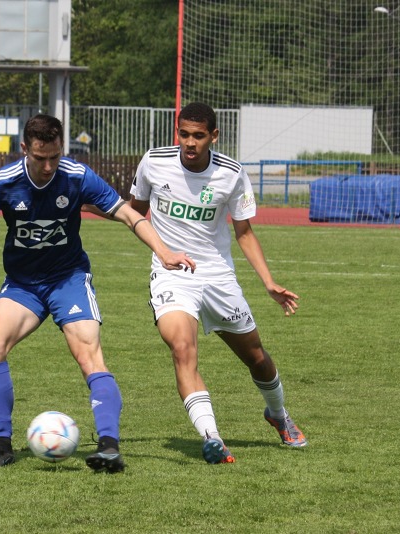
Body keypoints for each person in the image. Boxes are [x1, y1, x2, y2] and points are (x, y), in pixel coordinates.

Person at [0, 114, 196, 473]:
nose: (48, 166)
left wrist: (164, 252)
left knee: (89, 353)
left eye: (54, 157)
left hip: (68, 279)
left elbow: (128, 214)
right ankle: (1, 447)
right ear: (24, 148)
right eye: (40, 158)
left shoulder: (77, 175)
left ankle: (109, 447)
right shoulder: (3, 181)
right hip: (23, 284)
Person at [129, 102, 307, 464]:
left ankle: (278, 413)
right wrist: (161, 251)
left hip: (218, 277)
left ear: (214, 136)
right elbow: (134, 213)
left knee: (256, 357)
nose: (189, 143)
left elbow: (244, 232)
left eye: (198, 136)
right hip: (171, 274)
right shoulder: (154, 161)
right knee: (182, 349)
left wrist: (268, 282)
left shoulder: (231, 173)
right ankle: (212, 437)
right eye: (183, 134)